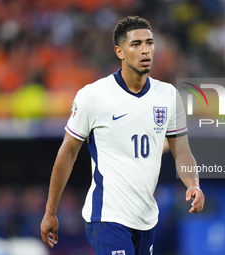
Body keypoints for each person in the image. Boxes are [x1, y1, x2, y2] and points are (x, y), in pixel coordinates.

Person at [40, 16, 204, 255]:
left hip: (146, 218)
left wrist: (194, 184)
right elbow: (68, 151)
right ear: (120, 51)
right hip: (107, 216)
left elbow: (181, 150)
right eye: (136, 44)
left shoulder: (168, 95)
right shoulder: (94, 96)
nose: (145, 50)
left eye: (149, 43)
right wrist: (50, 211)